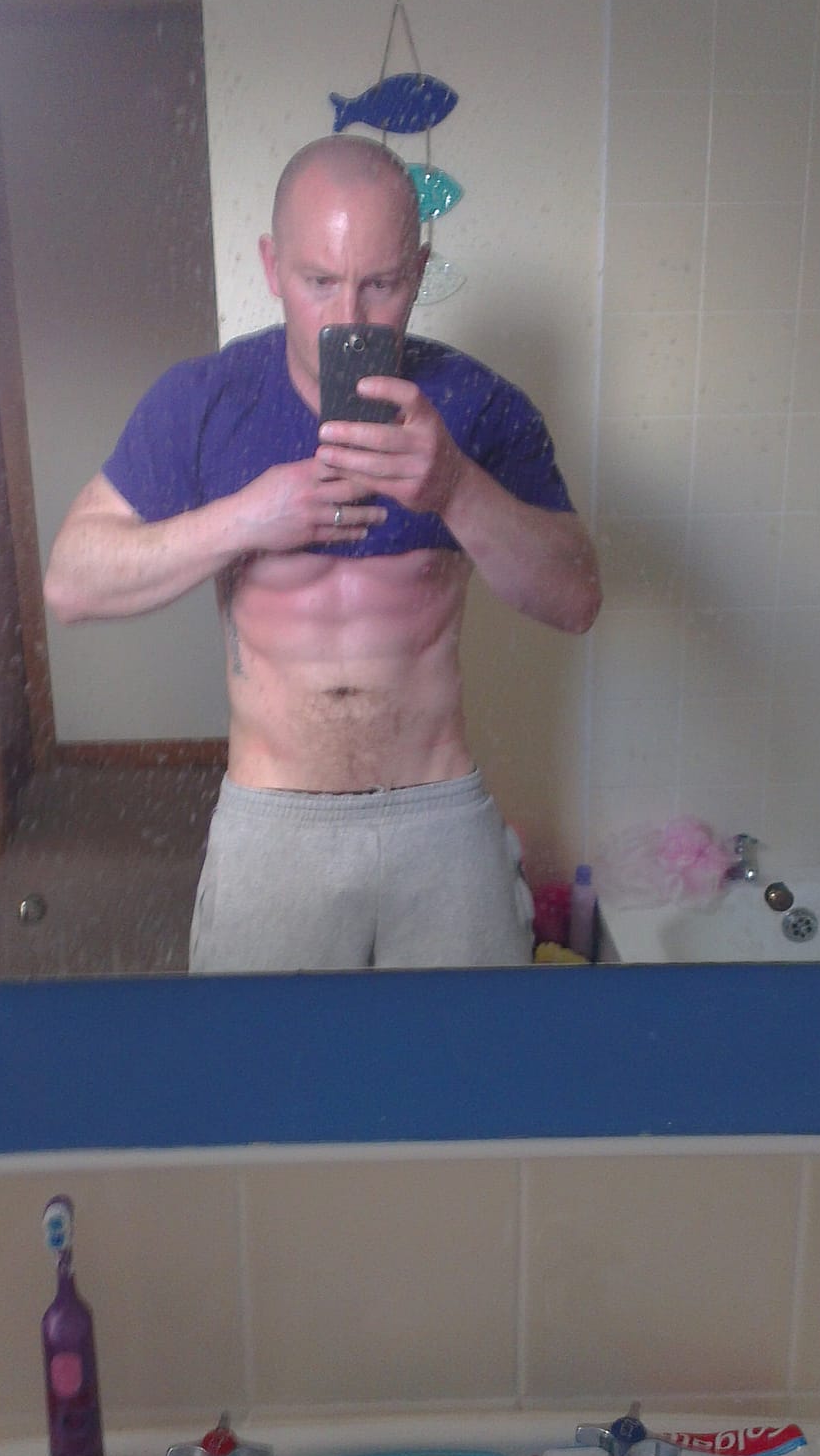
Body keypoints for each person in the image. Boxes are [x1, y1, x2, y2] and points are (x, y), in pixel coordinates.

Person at [44, 135, 601, 972]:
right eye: (319, 282)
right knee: (261, 1057)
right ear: (272, 267)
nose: (350, 318)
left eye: (381, 283)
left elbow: (578, 599)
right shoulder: (203, 401)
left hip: (438, 813)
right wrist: (245, 518)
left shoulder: (477, 405)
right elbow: (71, 584)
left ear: (418, 271)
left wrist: (455, 487)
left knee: (468, 1054)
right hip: (274, 820)